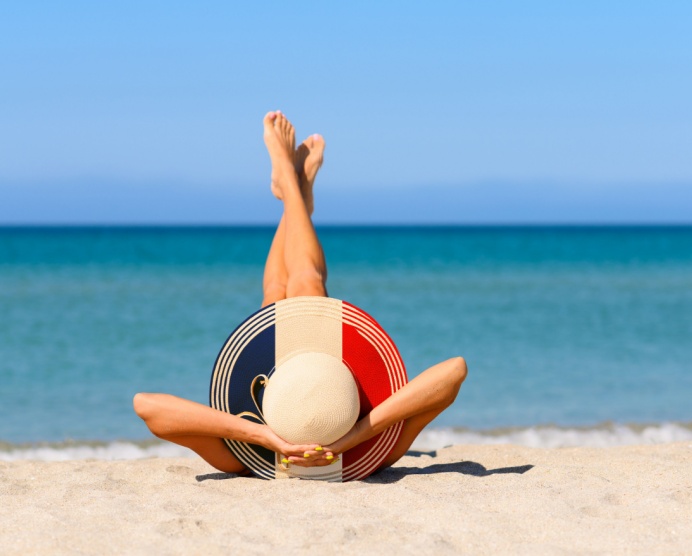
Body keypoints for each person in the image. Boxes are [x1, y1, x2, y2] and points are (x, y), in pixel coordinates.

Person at [133, 111, 467, 475]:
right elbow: (454, 371)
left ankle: (291, 186)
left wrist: (263, 437)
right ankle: (293, 189)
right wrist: (355, 437)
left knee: (278, 291)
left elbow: (147, 405)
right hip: (324, 377)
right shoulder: (375, 455)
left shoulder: (241, 460)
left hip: (283, 391)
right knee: (307, 282)